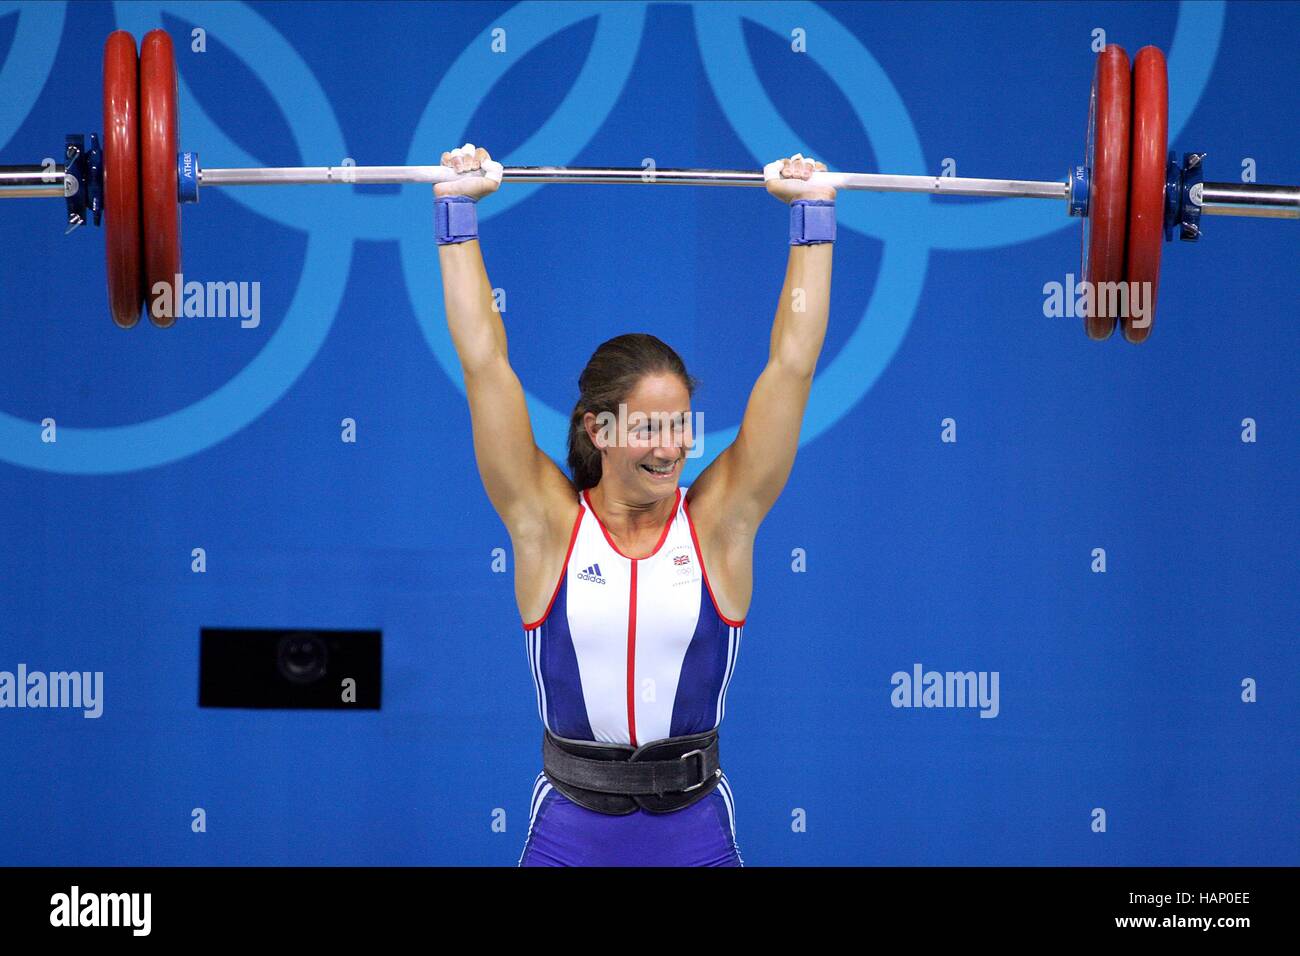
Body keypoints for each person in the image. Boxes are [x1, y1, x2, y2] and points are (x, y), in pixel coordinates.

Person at [433, 143, 835, 866]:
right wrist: (457, 212)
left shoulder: (719, 522)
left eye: (681, 424)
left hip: (695, 834)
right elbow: (483, 361)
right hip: (568, 836)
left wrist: (813, 217)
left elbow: (792, 365)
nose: (671, 446)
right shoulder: (546, 523)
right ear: (599, 427)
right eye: (649, 427)